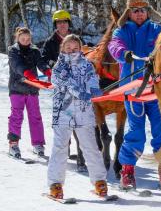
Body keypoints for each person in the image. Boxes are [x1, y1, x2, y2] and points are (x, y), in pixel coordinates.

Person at [108, 0, 161, 191]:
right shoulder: (123, 30)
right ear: (129, 13)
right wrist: (123, 54)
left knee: (160, 130)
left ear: (148, 12)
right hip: (133, 89)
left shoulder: (157, 29)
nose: (139, 14)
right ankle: (127, 171)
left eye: (142, 10)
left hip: (156, 88)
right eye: (135, 11)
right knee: (135, 131)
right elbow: (114, 45)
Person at [47, 34, 108, 199]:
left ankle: (99, 182)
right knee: (60, 148)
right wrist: (80, 92)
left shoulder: (87, 65)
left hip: (84, 113)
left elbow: (92, 79)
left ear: (80, 49)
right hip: (63, 113)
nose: (72, 51)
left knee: (91, 147)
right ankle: (55, 184)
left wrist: (94, 88)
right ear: (63, 48)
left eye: (75, 48)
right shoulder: (59, 67)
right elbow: (65, 83)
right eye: (68, 48)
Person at [41, 9, 89, 172]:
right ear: (56, 24)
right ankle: (64, 149)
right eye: (59, 22)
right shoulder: (50, 42)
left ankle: (82, 158)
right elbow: (44, 60)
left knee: (80, 123)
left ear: (69, 23)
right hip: (61, 88)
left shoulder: (77, 39)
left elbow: (87, 56)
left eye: (65, 22)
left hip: (79, 87)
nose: (62, 25)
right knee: (64, 121)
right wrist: (50, 70)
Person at [7, 27, 51, 158]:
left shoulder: (35, 50)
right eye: (23, 39)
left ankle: (38, 144)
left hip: (32, 89)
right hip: (17, 88)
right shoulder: (13, 50)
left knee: (35, 116)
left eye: (28, 39)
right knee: (17, 115)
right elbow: (16, 65)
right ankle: (13, 143)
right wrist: (26, 73)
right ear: (18, 38)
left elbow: (41, 63)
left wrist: (47, 71)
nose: (25, 41)